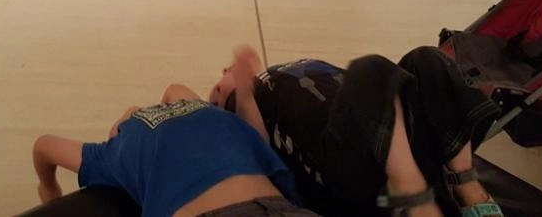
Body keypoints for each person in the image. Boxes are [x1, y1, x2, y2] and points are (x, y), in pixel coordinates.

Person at [209, 45, 506, 217]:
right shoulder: (248, 101)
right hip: (346, 167)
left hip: (397, 147)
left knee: (425, 59)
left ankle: (463, 182)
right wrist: (244, 95)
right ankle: (410, 192)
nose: (223, 73)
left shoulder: (279, 74)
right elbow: (259, 147)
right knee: (369, 67)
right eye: (218, 93)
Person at [32, 81, 321, 217]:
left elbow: (43, 146)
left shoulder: (113, 152)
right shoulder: (218, 119)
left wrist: (49, 191)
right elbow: (175, 89)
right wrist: (242, 93)